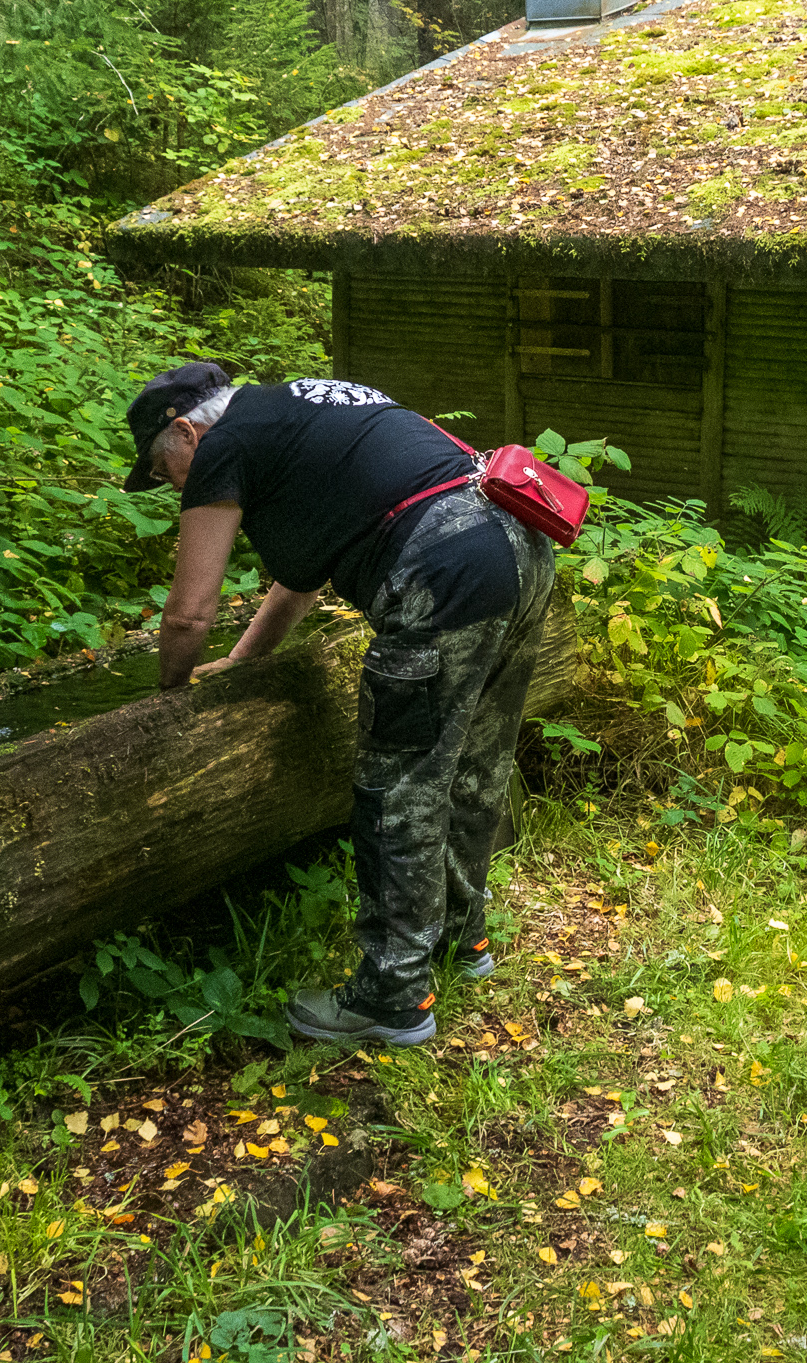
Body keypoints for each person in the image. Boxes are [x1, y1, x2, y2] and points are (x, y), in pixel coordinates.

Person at [122, 360, 555, 1047]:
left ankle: (392, 998)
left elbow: (187, 616)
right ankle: (462, 939)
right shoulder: (297, 413)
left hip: (444, 569)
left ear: (184, 432)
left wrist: (168, 696)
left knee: (398, 789)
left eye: (160, 468)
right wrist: (242, 661)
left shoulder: (223, 447)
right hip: (522, 542)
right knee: (472, 765)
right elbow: (302, 581)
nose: (170, 484)